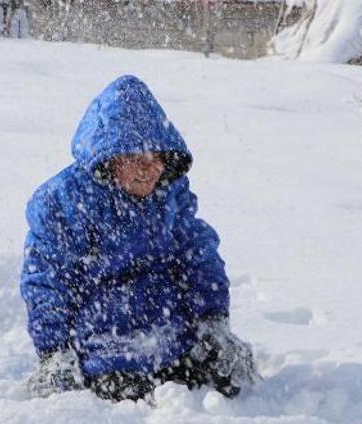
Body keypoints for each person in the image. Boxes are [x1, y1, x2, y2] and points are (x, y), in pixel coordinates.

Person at [20, 75, 258, 402]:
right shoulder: (65, 202)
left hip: (171, 327)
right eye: (136, 159)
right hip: (105, 333)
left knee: (224, 380)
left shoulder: (169, 195)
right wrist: (54, 350)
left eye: (156, 159)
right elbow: (47, 279)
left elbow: (199, 256)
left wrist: (212, 321)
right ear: (111, 158)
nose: (148, 169)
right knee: (130, 389)